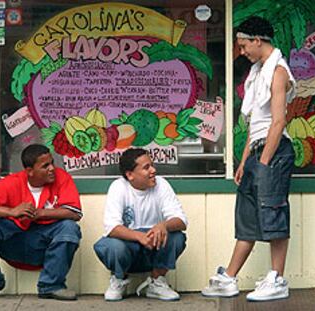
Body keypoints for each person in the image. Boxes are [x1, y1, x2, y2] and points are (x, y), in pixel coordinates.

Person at [202, 16, 296, 302]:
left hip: (274, 151)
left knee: (273, 211)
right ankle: (230, 278)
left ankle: (277, 279)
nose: (242, 51)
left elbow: (278, 121)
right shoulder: (257, 72)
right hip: (257, 150)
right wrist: (244, 161)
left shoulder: (277, 71)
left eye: (244, 45)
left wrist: (265, 161)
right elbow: (256, 123)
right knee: (247, 217)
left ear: (258, 40)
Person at [0, 144, 82, 301]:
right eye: (45, 166)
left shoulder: (62, 178)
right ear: (29, 171)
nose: (52, 169)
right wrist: (11, 211)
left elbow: (75, 212)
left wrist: (40, 213)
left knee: (69, 227)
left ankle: (51, 286)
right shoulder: (12, 182)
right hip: (12, 242)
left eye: (52, 163)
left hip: (43, 243)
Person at [93, 148, 187, 301]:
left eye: (152, 165)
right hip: (129, 247)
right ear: (130, 175)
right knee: (111, 246)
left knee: (176, 237)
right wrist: (139, 236)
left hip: (153, 248)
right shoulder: (118, 187)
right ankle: (119, 280)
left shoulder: (162, 185)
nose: (153, 170)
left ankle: (157, 282)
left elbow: (181, 221)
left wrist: (163, 225)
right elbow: (112, 227)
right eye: (146, 167)